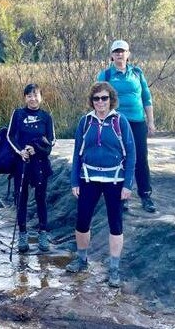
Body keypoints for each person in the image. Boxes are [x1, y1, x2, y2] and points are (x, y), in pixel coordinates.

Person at [65, 82, 135, 288]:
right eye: (96, 99)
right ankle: (81, 260)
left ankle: (114, 269)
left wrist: (128, 184)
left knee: (115, 223)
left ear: (111, 99)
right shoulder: (85, 122)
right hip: (89, 179)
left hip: (115, 180)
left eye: (104, 98)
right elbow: (77, 152)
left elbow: (131, 154)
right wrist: (74, 180)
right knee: (82, 221)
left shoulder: (120, 121)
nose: (101, 102)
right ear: (92, 101)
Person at [97, 39, 156, 213]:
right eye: (116, 52)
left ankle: (145, 195)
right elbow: (97, 98)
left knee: (140, 159)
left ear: (128, 54)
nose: (119, 54)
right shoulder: (106, 75)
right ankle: (122, 198)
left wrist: (150, 121)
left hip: (137, 122)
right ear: (111, 55)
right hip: (115, 122)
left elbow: (147, 98)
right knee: (120, 159)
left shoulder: (137, 73)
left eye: (122, 51)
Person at [6, 84, 56, 253]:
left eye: (35, 95)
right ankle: (22, 234)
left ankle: (43, 233)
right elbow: (10, 135)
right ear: (25, 98)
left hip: (40, 163)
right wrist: (20, 151)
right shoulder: (18, 114)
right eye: (29, 96)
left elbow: (51, 140)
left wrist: (37, 150)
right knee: (21, 199)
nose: (32, 99)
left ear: (41, 97)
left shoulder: (46, 117)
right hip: (22, 162)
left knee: (41, 198)